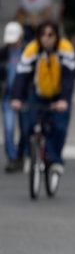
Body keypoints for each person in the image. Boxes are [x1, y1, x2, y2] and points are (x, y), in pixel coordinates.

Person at [11, 21, 75, 178]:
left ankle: (56, 161)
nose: (46, 38)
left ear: (56, 36)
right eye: (42, 35)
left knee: (59, 127)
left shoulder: (65, 48)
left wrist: (64, 100)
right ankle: (31, 154)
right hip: (39, 93)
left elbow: (69, 78)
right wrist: (17, 98)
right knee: (29, 124)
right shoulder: (32, 49)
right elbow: (21, 75)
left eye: (50, 35)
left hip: (59, 94)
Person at [1, 22, 26, 173]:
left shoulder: (27, 52)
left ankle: (21, 155)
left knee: (25, 129)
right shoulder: (3, 53)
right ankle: (12, 157)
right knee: (8, 128)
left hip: (24, 97)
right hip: (8, 96)